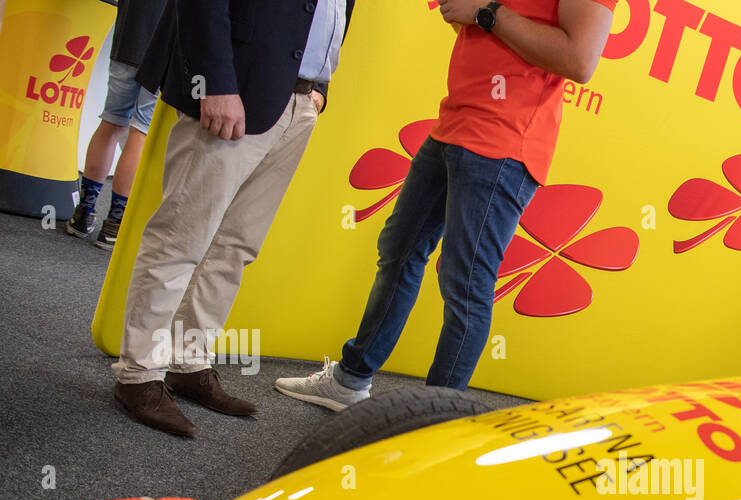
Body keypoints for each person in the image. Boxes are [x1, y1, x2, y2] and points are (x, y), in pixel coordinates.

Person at [275, 0, 617, 412]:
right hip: (456, 123)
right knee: (399, 251)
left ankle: (428, 422)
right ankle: (351, 380)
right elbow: (484, 32)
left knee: (466, 285)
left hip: (504, 145)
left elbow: (579, 60)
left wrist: (487, 12)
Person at [111, 0, 352, 438]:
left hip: (298, 98)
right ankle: (139, 376)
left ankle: (188, 361)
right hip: (234, 87)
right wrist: (216, 84)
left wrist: (320, 87)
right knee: (180, 239)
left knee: (236, 245)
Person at [65, 0, 167, 250]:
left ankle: (84, 213)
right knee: (141, 131)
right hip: (163, 49)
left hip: (128, 40)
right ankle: (114, 223)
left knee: (111, 121)